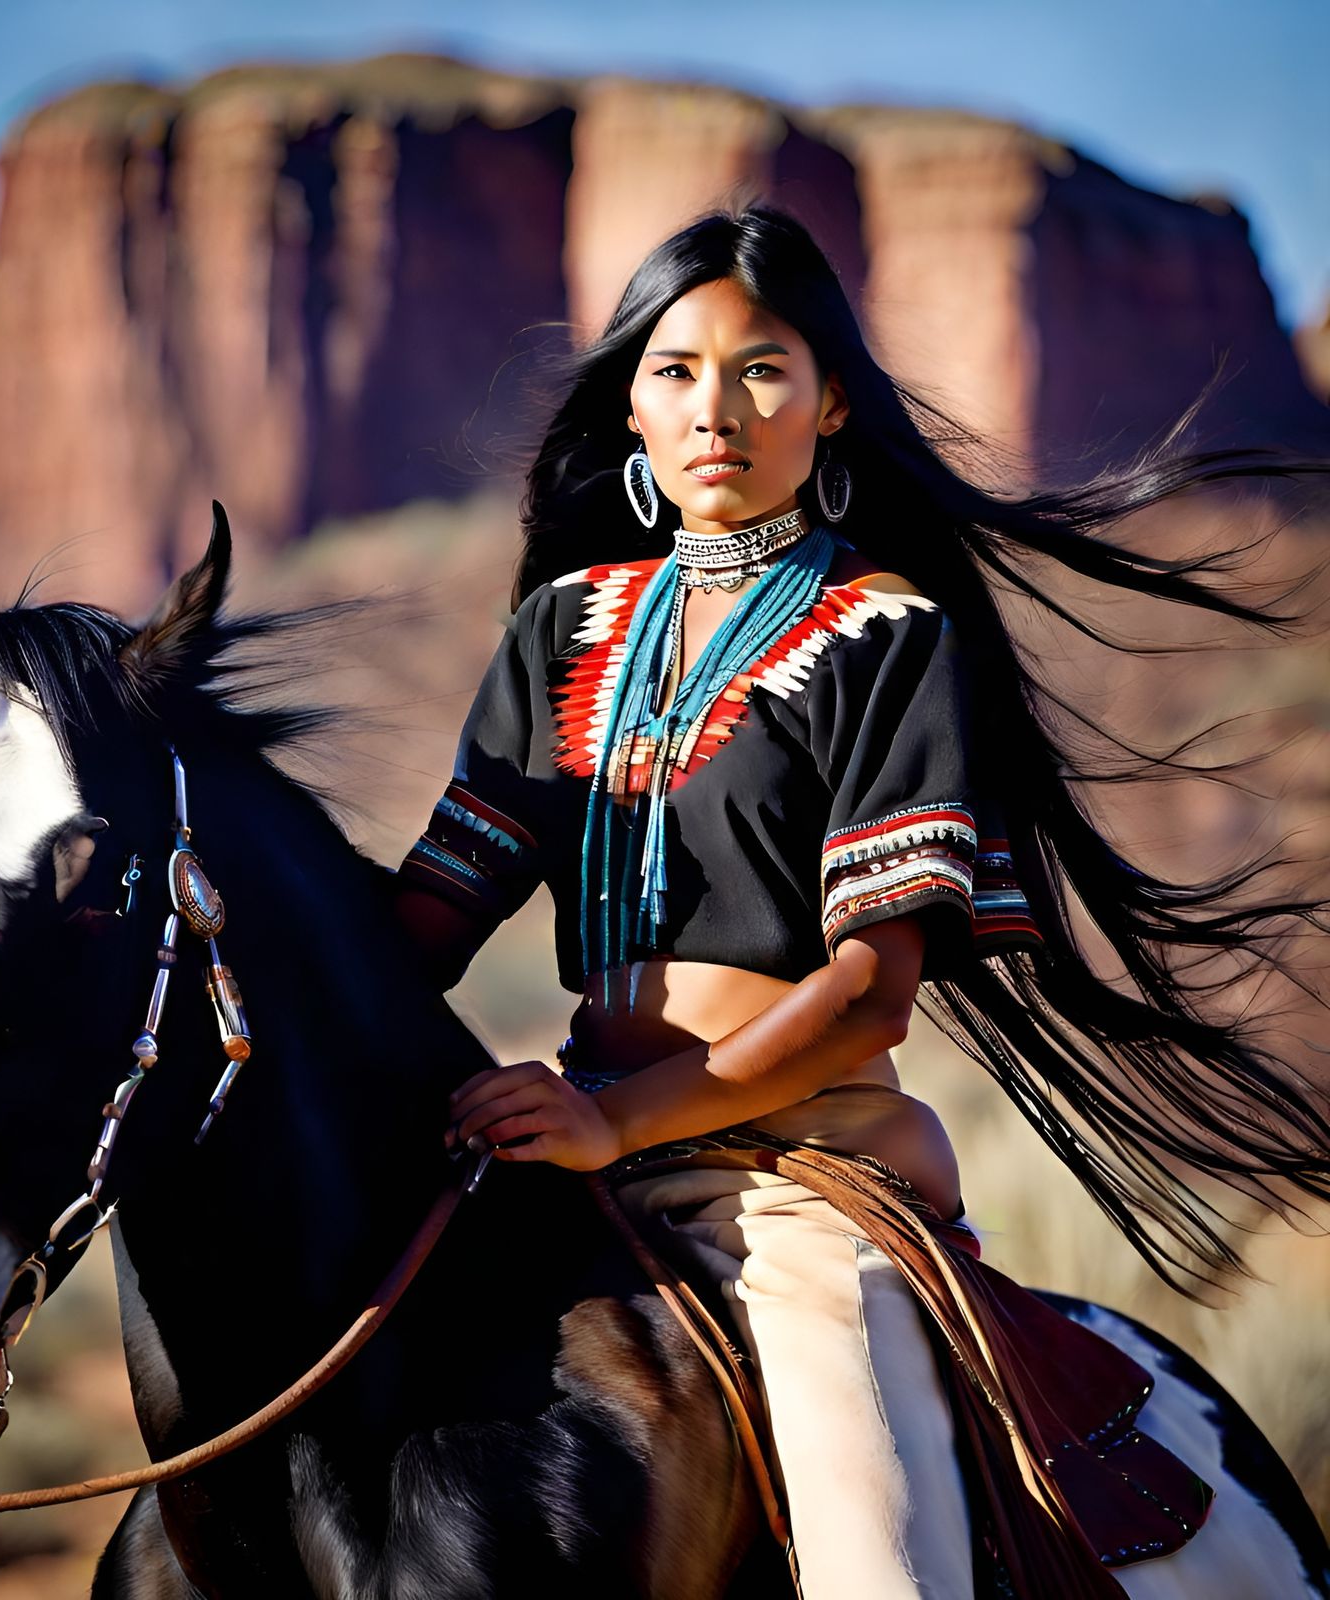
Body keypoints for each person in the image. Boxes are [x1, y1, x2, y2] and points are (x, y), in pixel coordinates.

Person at [391, 206, 1330, 1597]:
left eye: (762, 368)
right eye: (676, 370)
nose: (718, 407)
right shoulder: (561, 631)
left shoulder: (888, 633)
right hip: (575, 1175)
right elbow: (424, 919)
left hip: (799, 1184)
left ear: (830, 403)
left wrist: (612, 1117)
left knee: (879, 1571)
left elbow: (868, 994)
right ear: (633, 411)